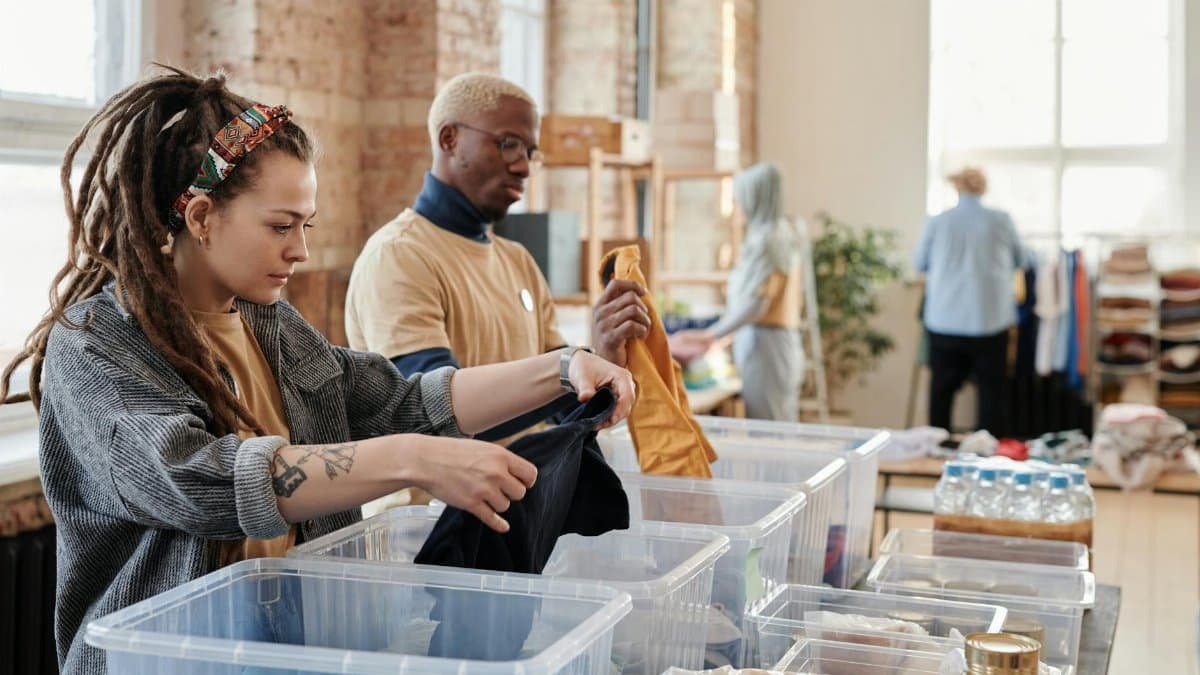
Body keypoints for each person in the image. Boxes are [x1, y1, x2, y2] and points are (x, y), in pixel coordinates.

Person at [0, 67, 635, 674]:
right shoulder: (95, 346)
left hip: (293, 651)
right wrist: (414, 459)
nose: (300, 250)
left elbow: (398, 401)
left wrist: (561, 368)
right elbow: (198, 478)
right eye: (280, 226)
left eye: (305, 225)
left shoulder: (267, 321)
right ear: (199, 217)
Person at [345, 73, 651, 440]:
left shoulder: (518, 261)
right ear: (450, 139)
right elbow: (433, 417)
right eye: (509, 144)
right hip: (428, 499)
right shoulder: (399, 256)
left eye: (530, 153)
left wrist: (603, 356)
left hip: (516, 494)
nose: (523, 167)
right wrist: (566, 368)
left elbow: (567, 410)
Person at [668, 163, 805, 421]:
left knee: (770, 429)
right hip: (773, 343)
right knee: (778, 424)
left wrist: (710, 334)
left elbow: (757, 304)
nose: (738, 207)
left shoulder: (768, 240)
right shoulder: (781, 233)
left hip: (767, 346)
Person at [913, 166, 1026, 435]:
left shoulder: (938, 222)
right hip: (989, 321)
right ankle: (991, 459)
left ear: (957, 187)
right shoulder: (1001, 220)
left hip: (944, 319)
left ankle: (936, 452)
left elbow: (919, 262)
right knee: (991, 395)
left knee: (941, 392)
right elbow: (1020, 260)